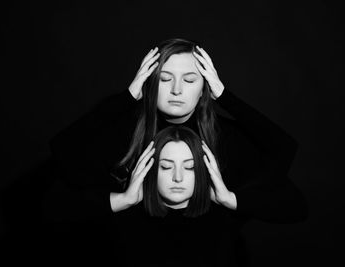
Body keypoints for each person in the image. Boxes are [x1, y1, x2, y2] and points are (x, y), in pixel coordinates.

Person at [42, 37, 308, 265]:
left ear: (204, 85)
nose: (177, 90)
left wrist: (224, 96)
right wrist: (128, 96)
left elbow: (283, 151)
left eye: (190, 79)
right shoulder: (124, 131)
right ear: (150, 81)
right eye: (165, 79)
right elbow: (64, 152)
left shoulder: (225, 136)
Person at [111, 125, 249, 267]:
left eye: (189, 167)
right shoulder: (123, 223)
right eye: (166, 167)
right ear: (149, 169)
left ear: (202, 170)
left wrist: (228, 198)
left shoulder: (225, 222)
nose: (178, 177)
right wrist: (124, 200)